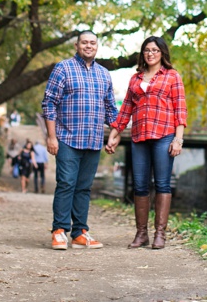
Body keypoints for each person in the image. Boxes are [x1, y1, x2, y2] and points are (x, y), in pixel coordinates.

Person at [106, 36, 187, 250]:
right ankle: (141, 234)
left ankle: (160, 234)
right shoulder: (135, 79)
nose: (150, 53)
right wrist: (115, 133)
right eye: (146, 50)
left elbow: (180, 109)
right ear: (143, 54)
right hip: (139, 137)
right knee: (140, 185)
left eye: (154, 50)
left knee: (162, 184)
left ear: (162, 53)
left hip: (164, 135)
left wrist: (178, 139)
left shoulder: (172, 76)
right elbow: (125, 110)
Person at [41, 30, 117, 250]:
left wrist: (115, 134)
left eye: (92, 43)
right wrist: (51, 137)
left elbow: (111, 110)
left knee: (84, 187)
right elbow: (49, 103)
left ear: (97, 46)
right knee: (66, 184)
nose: (88, 46)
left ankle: (80, 232)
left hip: (93, 140)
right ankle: (59, 231)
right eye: (84, 42)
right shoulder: (63, 68)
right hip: (66, 138)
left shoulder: (104, 74)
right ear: (77, 45)